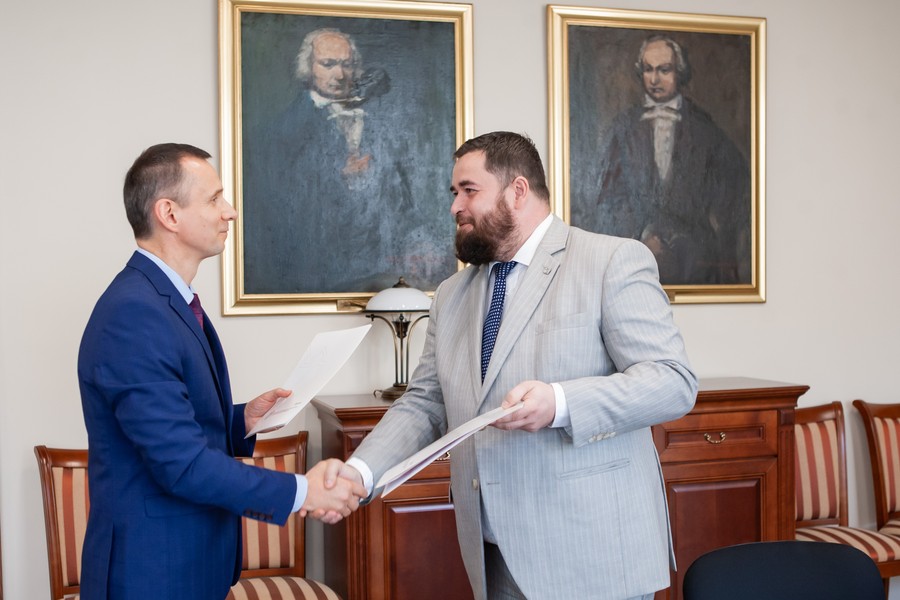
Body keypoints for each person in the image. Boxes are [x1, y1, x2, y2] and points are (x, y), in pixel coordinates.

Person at [335, 132, 698, 599]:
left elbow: (672, 381)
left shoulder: (610, 260)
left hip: (593, 559)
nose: (455, 207)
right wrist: (359, 474)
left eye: (469, 191)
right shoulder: (450, 294)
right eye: (454, 193)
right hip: (493, 560)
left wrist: (560, 403)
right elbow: (425, 403)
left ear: (518, 191)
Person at [77, 143, 366, 599]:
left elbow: (169, 424)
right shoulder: (134, 313)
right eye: (214, 199)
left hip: (188, 565)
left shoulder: (163, 300)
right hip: (152, 574)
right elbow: (181, 463)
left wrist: (241, 419)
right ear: (169, 214)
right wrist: (302, 491)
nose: (230, 211)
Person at [241, 27, 455, 295]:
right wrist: (340, 181)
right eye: (328, 64)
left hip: (381, 273)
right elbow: (283, 213)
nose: (339, 74)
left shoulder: (383, 125)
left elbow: (401, 202)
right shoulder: (281, 132)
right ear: (308, 68)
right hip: (318, 274)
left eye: (347, 64)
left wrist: (419, 238)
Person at [571, 34, 751, 286]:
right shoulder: (623, 129)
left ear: (679, 72)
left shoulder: (704, 129)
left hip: (695, 259)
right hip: (634, 254)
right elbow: (607, 198)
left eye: (664, 70)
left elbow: (733, 193)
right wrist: (641, 238)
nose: (654, 79)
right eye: (648, 69)